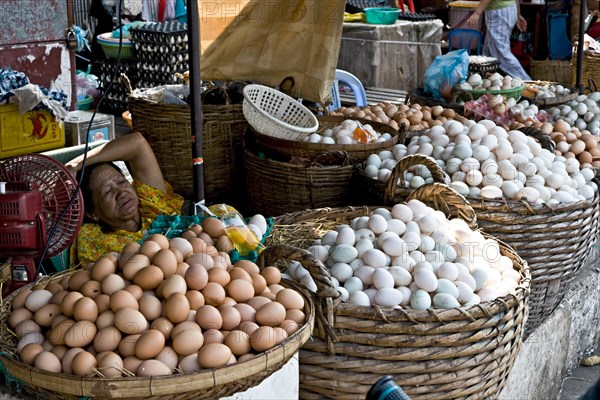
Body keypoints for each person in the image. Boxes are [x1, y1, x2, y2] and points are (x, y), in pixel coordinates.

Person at [66, 132, 184, 267]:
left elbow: (137, 143)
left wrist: (77, 164)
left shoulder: (152, 202)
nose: (121, 192)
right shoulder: (94, 242)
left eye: (122, 182)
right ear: (92, 213)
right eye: (108, 191)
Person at [467, 0, 532, 80]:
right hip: (507, 9)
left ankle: (526, 82)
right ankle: (484, 81)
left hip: (500, 13)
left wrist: (477, 13)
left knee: (502, 53)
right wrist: (517, 14)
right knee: (488, 52)